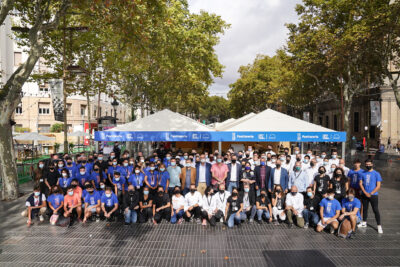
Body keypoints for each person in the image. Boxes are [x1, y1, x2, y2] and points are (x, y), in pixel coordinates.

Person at [359, 159, 383, 234]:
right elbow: (360, 183)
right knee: (365, 209)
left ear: (372, 164)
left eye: (369, 164)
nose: (368, 165)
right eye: (367, 164)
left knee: (375, 210)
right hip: (364, 194)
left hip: (373, 195)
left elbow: (378, 186)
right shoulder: (362, 173)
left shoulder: (376, 173)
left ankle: (379, 226)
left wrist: (371, 193)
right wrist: (365, 192)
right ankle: (364, 222)